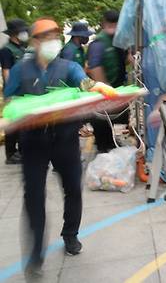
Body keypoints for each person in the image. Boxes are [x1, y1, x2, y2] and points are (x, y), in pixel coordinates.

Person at [2, 18, 109, 277]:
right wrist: (21, 113)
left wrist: (100, 90)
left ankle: (70, 235)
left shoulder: (69, 67)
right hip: (34, 143)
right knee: (34, 197)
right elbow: (9, 102)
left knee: (73, 189)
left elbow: (85, 85)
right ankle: (35, 254)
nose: (52, 40)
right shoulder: (20, 70)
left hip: (65, 139)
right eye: (46, 36)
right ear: (35, 41)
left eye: (55, 35)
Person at [87, 10, 128, 153]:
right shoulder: (98, 43)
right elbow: (95, 67)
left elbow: (126, 60)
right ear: (104, 24)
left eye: (116, 24)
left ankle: (109, 143)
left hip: (116, 87)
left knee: (108, 120)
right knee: (101, 120)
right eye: (110, 24)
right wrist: (106, 88)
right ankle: (103, 147)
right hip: (103, 90)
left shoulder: (118, 40)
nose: (113, 27)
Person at [1, 19, 30, 165]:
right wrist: (9, 92)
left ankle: (21, 151)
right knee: (12, 123)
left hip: (24, 91)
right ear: (14, 33)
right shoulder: (7, 50)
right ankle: (11, 153)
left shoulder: (22, 48)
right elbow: (6, 72)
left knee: (21, 123)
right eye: (22, 31)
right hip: (14, 92)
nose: (25, 33)